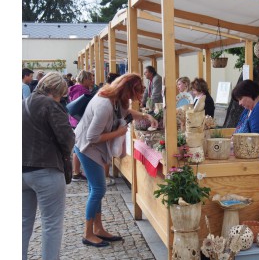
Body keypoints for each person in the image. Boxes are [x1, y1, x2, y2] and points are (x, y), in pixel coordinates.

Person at [74, 73, 158, 247]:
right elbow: (92, 137)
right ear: (126, 90)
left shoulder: (114, 99)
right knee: (98, 190)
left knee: (95, 190)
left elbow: (126, 112)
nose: (134, 98)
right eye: (134, 93)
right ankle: (88, 234)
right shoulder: (105, 104)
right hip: (87, 148)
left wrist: (145, 116)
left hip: (92, 148)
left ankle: (98, 229)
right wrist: (118, 133)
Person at [22, 72, 75, 260]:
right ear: (56, 91)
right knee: (51, 224)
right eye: (61, 95)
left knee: (23, 223)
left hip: (21, 170)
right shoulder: (50, 105)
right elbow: (67, 138)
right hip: (46, 170)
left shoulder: (23, 103)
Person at [69, 70, 94, 182]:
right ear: (85, 79)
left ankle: (76, 172)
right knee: (79, 147)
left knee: (77, 146)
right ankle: (76, 172)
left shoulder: (74, 88)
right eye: (90, 78)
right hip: (80, 122)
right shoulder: (81, 91)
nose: (92, 80)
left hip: (74, 121)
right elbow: (82, 108)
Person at [104, 72, 120, 186]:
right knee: (106, 152)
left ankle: (105, 175)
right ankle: (104, 176)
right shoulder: (109, 93)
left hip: (107, 126)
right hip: (106, 128)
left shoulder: (106, 90)